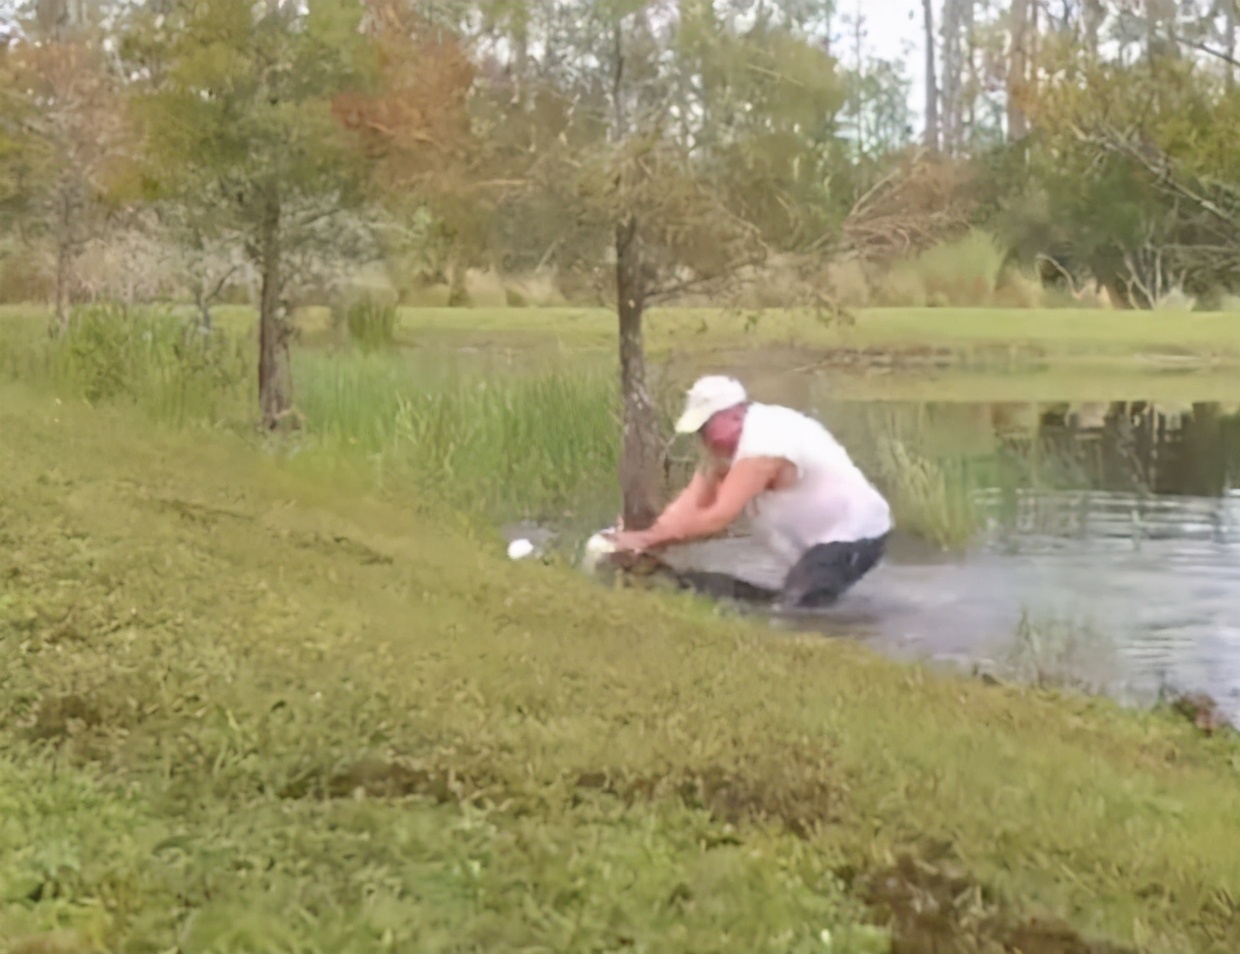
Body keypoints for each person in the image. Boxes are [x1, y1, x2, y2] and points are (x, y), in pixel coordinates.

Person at [607, 374, 892, 609]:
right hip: (808, 543)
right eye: (700, 431)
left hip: (854, 534)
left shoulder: (763, 444)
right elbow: (692, 501)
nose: (703, 438)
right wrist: (652, 540)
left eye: (706, 428)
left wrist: (646, 537)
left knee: (792, 615)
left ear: (733, 415)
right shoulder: (726, 446)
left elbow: (717, 518)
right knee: (750, 598)